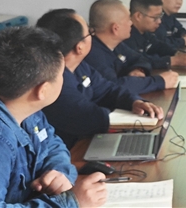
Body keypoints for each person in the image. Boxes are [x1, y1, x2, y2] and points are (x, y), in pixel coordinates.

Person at [0, 26, 107, 207]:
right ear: (43, 90)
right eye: (61, 75)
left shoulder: (16, 100)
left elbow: (52, 143)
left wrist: (58, 170)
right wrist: (70, 203)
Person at [38, 9, 164, 148]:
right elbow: (91, 118)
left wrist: (134, 102)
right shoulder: (53, 81)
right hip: (71, 150)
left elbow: (108, 90)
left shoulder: (80, 66)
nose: (93, 37)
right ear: (79, 47)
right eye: (90, 33)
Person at [85, 0, 179, 95]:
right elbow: (113, 87)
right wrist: (159, 81)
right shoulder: (93, 54)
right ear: (115, 28)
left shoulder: (117, 45)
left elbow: (140, 58)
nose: (131, 23)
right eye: (129, 20)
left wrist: (138, 69)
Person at [124, 0, 186, 70]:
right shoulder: (125, 35)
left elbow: (159, 46)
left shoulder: (145, 32)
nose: (159, 21)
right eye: (155, 17)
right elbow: (137, 60)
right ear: (138, 16)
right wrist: (173, 61)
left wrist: (176, 52)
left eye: (160, 16)